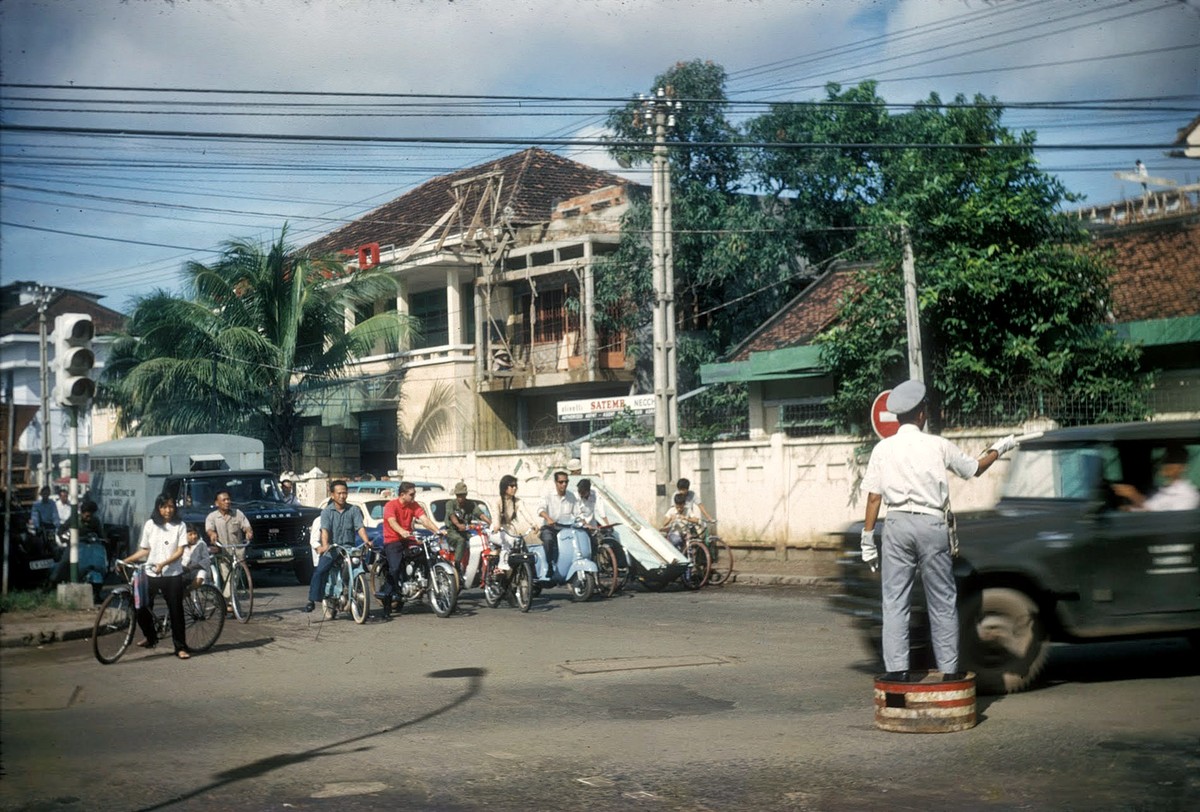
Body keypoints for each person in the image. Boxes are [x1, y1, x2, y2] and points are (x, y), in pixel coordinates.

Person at [860, 379, 1015, 683]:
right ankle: (949, 670)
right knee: (942, 599)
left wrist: (867, 539)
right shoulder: (937, 445)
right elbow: (974, 469)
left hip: (897, 525)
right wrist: (1000, 447)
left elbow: (874, 496)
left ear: (901, 416)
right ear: (921, 414)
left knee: (894, 600)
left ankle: (897, 670)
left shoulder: (883, 448)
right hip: (932, 525)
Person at [121, 494, 190, 659]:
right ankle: (151, 638)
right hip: (151, 573)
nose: (168, 510)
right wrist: (126, 560)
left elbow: (180, 551)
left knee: (176, 611)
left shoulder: (180, 526)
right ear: (158, 508)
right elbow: (145, 549)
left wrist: (164, 564)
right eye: (164, 507)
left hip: (172, 574)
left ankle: (180, 647)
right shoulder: (150, 525)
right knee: (140, 607)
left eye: (171, 506)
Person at [305, 480, 370, 613]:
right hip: (333, 548)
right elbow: (325, 530)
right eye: (339, 493)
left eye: (344, 493)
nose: (342, 496)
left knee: (358, 564)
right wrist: (325, 546)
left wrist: (367, 541)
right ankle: (312, 600)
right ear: (332, 494)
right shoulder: (326, 512)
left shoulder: (354, 510)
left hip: (349, 548)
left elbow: (360, 527)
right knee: (320, 570)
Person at [378, 481, 442, 615]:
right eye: (411, 494)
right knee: (394, 568)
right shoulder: (391, 505)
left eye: (414, 494)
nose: (414, 497)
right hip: (393, 541)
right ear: (402, 495)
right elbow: (392, 521)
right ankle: (387, 600)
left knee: (425, 554)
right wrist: (401, 531)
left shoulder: (414, 505)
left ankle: (419, 582)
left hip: (408, 539)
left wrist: (437, 531)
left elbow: (424, 520)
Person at [1111, 444, 1199, 511]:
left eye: (1172, 460)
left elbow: (1164, 522)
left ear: (1183, 467)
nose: (1165, 463)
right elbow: (1148, 508)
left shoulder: (1189, 495)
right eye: (1165, 459)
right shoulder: (1165, 491)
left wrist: (1134, 495)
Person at [206, 489, 253, 603]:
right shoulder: (212, 517)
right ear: (217, 503)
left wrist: (248, 532)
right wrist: (212, 534)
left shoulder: (238, 513)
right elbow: (209, 529)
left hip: (238, 552)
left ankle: (225, 600)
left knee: (234, 578)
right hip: (223, 553)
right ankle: (229, 602)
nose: (227, 502)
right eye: (224, 500)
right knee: (227, 577)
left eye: (228, 499)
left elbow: (246, 526)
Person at [537, 470, 577, 571]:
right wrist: (548, 518)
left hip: (566, 529)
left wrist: (585, 523)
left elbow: (578, 513)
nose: (564, 484)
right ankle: (549, 565)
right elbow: (540, 509)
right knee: (548, 540)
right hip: (550, 528)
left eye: (566, 482)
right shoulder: (548, 495)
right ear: (555, 482)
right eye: (561, 482)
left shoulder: (571, 496)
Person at [493, 475, 535, 571]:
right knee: (508, 541)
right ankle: (501, 565)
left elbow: (525, 512)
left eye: (516, 486)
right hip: (496, 532)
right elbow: (496, 515)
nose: (514, 488)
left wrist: (533, 524)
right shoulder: (498, 501)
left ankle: (529, 573)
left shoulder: (517, 501)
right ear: (504, 487)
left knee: (521, 544)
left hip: (509, 530)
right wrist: (497, 525)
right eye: (511, 486)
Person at [444, 481, 488, 573]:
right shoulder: (450, 504)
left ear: (466, 494)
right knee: (461, 540)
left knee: (477, 540)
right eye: (458, 495)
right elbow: (452, 515)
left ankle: (476, 567)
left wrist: (491, 523)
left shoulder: (470, 504)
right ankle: (457, 566)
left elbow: (480, 514)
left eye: (462, 495)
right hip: (452, 531)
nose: (460, 497)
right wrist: (458, 525)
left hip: (465, 531)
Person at [180, 524, 212, 590]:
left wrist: (192, 567)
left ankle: (187, 592)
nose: (194, 536)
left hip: (197, 570)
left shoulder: (201, 544)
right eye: (190, 534)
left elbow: (206, 560)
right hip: (183, 571)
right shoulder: (181, 545)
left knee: (201, 574)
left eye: (195, 534)